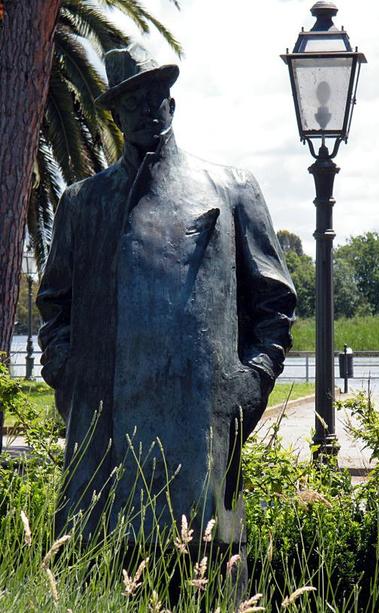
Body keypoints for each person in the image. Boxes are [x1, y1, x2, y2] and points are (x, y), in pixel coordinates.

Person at [37, 43, 296, 571]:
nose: (145, 109)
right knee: (98, 575)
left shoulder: (231, 188)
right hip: (104, 436)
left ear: (172, 103)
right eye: (131, 101)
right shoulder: (84, 202)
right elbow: (54, 306)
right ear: (115, 114)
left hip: (199, 431)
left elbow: (274, 301)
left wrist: (252, 381)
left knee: (208, 575)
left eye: (154, 95)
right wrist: (67, 372)